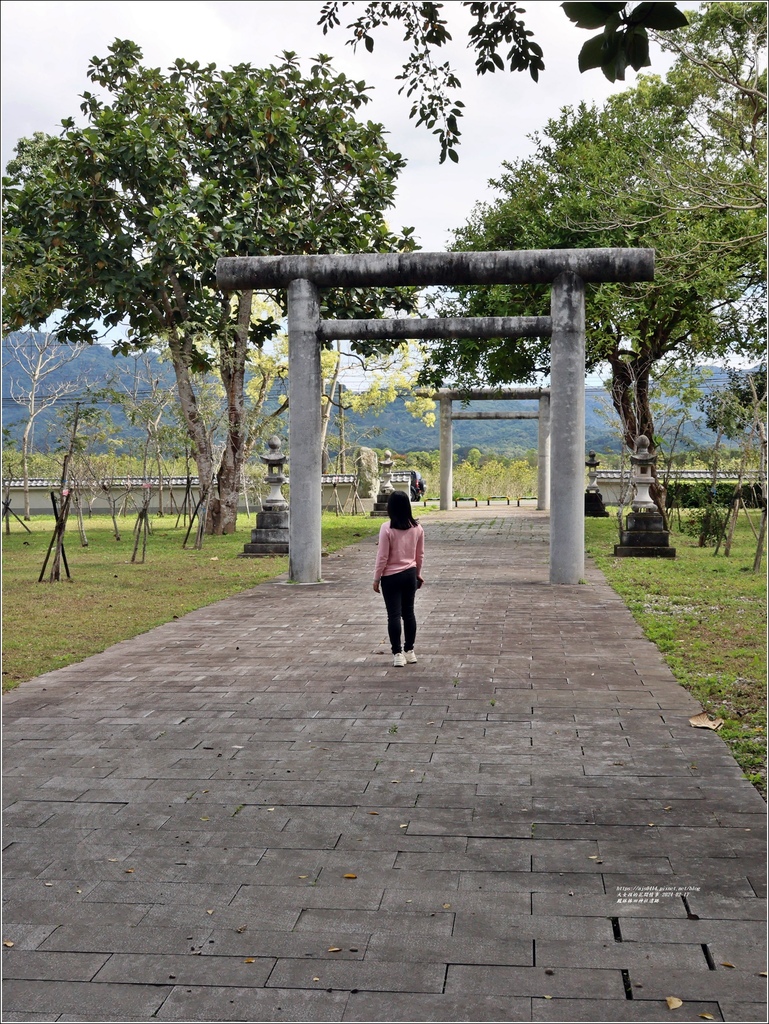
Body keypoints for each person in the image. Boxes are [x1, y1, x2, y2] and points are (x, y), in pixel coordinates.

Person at [373, 489, 425, 667]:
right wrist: (418, 574)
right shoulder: (417, 528)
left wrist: (376, 578)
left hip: (390, 577)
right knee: (408, 613)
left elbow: (382, 556)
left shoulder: (387, 528)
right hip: (410, 574)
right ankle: (410, 651)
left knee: (393, 615)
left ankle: (397, 654)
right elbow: (420, 555)